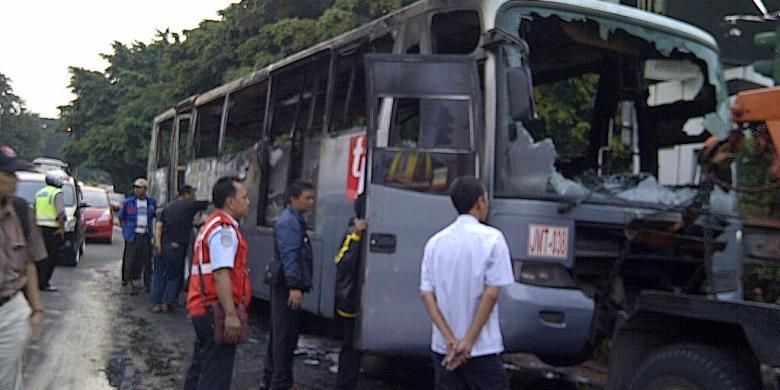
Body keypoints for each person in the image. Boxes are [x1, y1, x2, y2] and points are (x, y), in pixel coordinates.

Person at [419, 175, 514, 390]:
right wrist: (468, 342)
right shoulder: (493, 239)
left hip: (445, 349)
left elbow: (426, 294)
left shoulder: (435, 243)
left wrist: (451, 341)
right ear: (480, 202)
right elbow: (491, 294)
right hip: (482, 348)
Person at [184, 176, 252, 390]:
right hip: (215, 310)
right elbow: (221, 274)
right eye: (245, 197)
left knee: (201, 368)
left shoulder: (212, 224)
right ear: (231, 202)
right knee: (216, 376)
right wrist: (231, 315)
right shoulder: (225, 231)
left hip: (203, 308)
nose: (248, 202)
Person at [0, 145, 46, 390]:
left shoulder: (21, 211)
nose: (15, 180)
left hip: (10, 310)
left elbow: (29, 262)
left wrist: (36, 309)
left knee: (7, 380)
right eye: (9, 174)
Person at [262, 181, 315, 390]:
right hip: (286, 285)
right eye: (307, 198)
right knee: (285, 337)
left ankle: (272, 379)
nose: (311, 202)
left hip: (285, 283)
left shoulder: (294, 219)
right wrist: (294, 286)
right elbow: (290, 255)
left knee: (280, 334)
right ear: (294, 199)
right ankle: (280, 383)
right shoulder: (290, 222)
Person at [150, 185, 209, 313]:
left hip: (161, 245)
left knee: (159, 275)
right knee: (174, 277)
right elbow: (210, 201)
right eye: (193, 193)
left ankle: (156, 304)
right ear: (187, 194)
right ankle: (167, 302)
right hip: (176, 248)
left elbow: (160, 226)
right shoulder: (189, 205)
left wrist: (158, 244)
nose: (194, 196)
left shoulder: (168, 207)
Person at [334, 194, 367, 390]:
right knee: (350, 346)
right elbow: (341, 262)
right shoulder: (352, 233)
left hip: (359, 298)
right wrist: (356, 236)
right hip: (351, 298)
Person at [118, 178, 157, 295]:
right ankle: (129, 281)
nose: (138, 191)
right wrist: (125, 231)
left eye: (141, 188)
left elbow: (155, 217)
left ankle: (147, 283)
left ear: (145, 189)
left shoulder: (151, 202)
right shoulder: (128, 202)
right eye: (136, 188)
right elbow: (121, 217)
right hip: (133, 234)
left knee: (147, 259)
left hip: (146, 233)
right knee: (131, 259)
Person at [34, 170, 67, 292]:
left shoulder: (40, 193)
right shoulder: (57, 193)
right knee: (51, 257)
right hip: (52, 229)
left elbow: (35, 210)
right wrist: (61, 228)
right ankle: (45, 282)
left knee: (39, 256)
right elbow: (60, 212)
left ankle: (37, 281)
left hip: (39, 228)